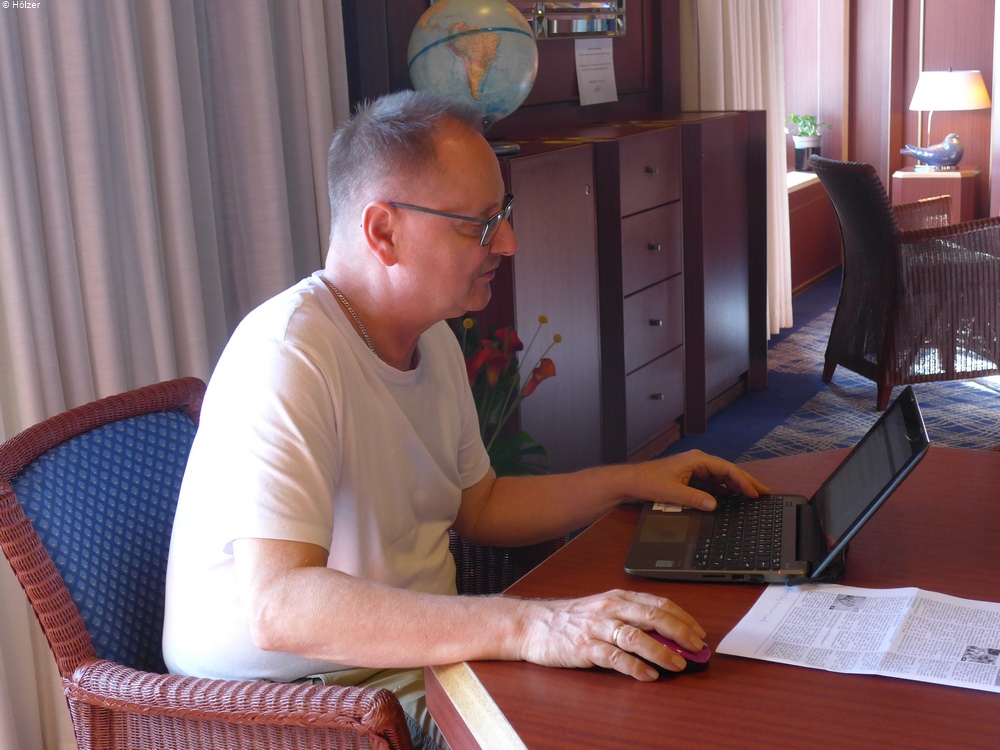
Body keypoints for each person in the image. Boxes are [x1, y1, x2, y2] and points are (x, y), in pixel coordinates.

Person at [163, 89, 769, 748]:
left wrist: (632, 481)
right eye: (478, 224)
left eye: (502, 214)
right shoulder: (288, 353)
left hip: (409, 658)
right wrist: (529, 625)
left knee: (655, 687)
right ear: (383, 232)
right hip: (294, 702)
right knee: (604, 722)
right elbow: (279, 608)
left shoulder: (433, 338)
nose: (507, 241)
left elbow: (479, 506)